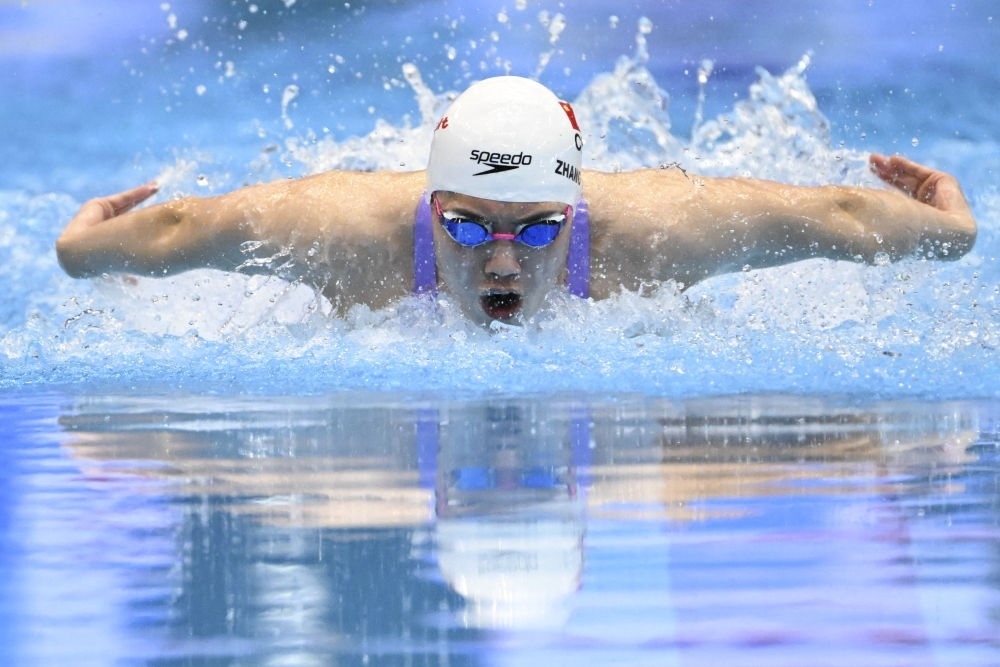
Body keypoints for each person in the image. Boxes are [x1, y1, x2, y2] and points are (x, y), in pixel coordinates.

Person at [56, 76, 977, 327]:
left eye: (537, 231)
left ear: (575, 213)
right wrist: (77, 248)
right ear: (429, 208)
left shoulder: (658, 230)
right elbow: (183, 227)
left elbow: (839, 219)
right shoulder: (341, 231)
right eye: (465, 225)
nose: (501, 259)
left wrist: (953, 231)